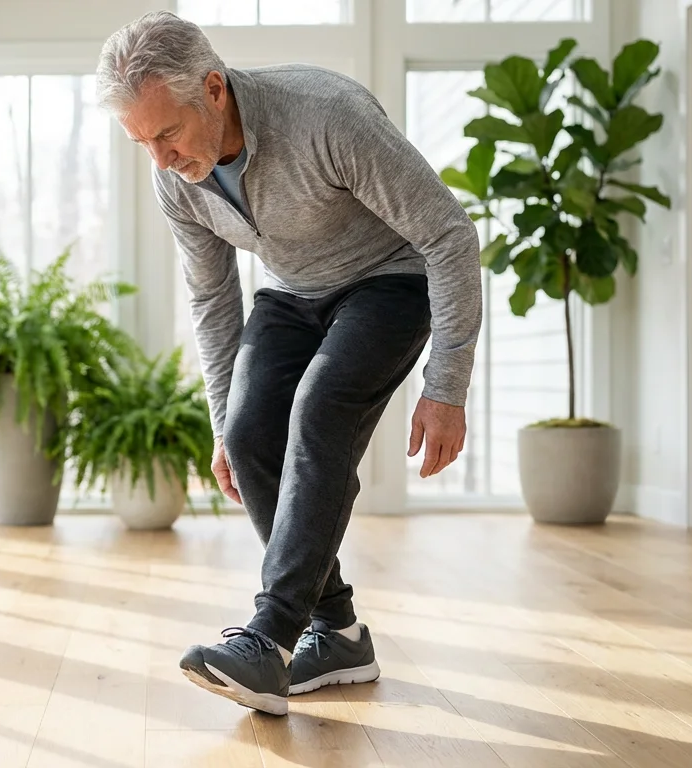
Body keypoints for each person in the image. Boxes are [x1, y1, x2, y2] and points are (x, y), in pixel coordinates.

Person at [95, 11, 481, 716]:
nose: (159, 158)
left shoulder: (325, 116)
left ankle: (270, 638)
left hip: (389, 278)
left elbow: (449, 235)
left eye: (167, 133)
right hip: (291, 292)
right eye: (141, 142)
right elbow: (213, 299)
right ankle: (338, 632)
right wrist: (221, 423)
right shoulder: (175, 177)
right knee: (247, 439)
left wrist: (446, 385)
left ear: (213, 90)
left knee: (322, 406)